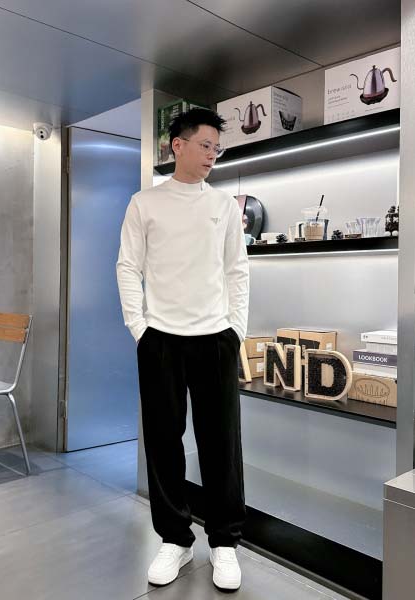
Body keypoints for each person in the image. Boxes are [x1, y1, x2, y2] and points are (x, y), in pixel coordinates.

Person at [116, 108, 249, 591]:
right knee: (163, 443)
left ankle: (225, 543)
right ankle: (175, 538)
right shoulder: (144, 203)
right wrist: (140, 328)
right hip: (161, 341)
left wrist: (236, 331)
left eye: (217, 148)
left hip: (215, 339)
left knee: (221, 444)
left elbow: (237, 270)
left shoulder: (224, 205)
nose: (213, 155)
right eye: (205, 145)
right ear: (178, 145)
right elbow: (127, 266)